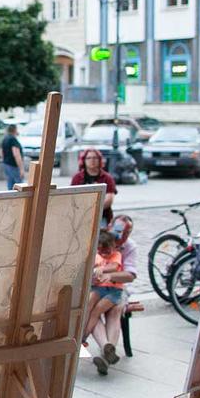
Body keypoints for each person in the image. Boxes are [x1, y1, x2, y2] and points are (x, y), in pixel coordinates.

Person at [85, 215, 138, 373]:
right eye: (120, 231)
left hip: (117, 289)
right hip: (96, 288)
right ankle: (106, 349)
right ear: (110, 226)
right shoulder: (101, 239)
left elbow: (130, 275)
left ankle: (107, 351)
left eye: (127, 233)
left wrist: (111, 276)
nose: (122, 236)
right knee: (93, 307)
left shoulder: (129, 247)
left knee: (114, 309)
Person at [71, 148, 118, 225]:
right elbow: (73, 198)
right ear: (84, 160)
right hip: (81, 216)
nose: (92, 160)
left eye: (95, 158)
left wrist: (94, 210)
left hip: (102, 216)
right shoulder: (77, 178)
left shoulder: (107, 178)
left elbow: (109, 199)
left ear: (99, 160)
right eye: (88, 158)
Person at [0, 123, 26, 192]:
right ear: (15, 130)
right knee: (20, 186)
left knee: (10, 184)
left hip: (6, 164)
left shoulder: (5, 139)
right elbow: (16, 154)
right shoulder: (13, 140)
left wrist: (4, 161)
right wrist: (21, 169)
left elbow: (1, 152)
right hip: (13, 165)